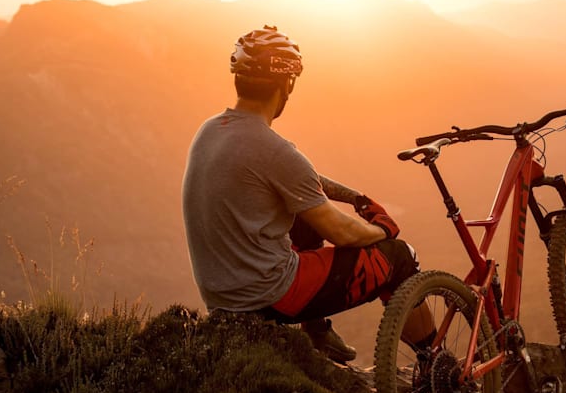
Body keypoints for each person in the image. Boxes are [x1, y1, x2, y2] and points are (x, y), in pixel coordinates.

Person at [181, 25, 434, 362]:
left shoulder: (210, 130)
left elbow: (303, 181)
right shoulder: (274, 150)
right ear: (286, 84)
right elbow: (342, 232)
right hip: (269, 296)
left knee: (303, 217)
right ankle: (436, 370)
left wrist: (355, 197)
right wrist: (382, 229)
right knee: (401, 257)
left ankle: (317, 332)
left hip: (222, 295)